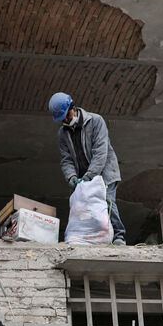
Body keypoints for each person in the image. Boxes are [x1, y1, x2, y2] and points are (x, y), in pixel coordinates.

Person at [50, 91, 126, 245]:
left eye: (67, 115)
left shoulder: (96, 121)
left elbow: (100, 152)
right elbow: (66, 159)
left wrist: (90, 175)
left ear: (73, 107)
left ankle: (119, 236)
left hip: (105, 172)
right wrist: (71, 177)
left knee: (107, 201)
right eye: (62, 119)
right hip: (82, 177)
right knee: (80, 207)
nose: (65, 120)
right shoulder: (62, 134)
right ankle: (90, 238)